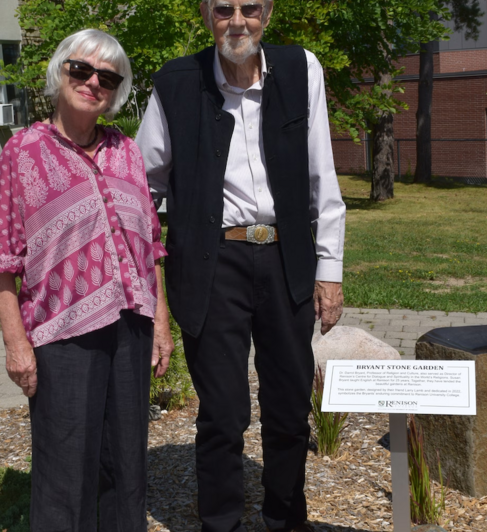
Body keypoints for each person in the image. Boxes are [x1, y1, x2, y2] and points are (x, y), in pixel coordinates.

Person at [135, 1, 346, 530]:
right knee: (223, 415)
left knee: (289, 406)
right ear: (205, 14)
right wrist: (148, 281)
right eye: (223, 8)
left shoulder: (301, 69)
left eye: (249, 8)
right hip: (212, 264)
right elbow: (142, 188)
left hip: (286, 258)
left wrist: (330, 268)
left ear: (267, 13)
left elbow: (322, 174)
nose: (237, 21)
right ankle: (221, 523)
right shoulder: (176, 83)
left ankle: (286, 519)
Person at [0, 29, 174, 531]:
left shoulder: (126, 151)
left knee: (127, 467)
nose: (93, 83)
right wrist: (16, 345)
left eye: (108, 77)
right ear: (59, 71)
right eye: (81, 70)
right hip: (62, 335)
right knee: (65, 474)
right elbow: (0, 261)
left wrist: (160, 321)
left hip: (131, 327)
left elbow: (151, 245)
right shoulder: (22, 152)